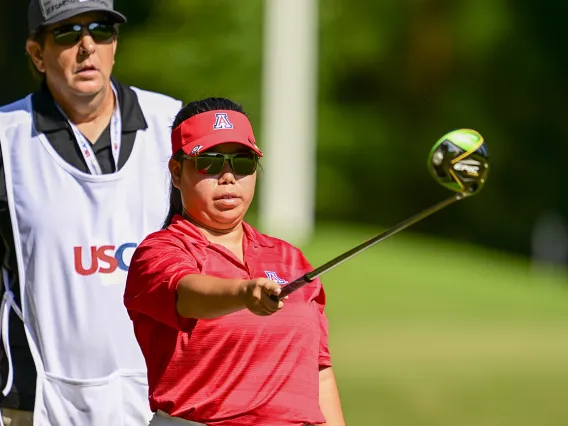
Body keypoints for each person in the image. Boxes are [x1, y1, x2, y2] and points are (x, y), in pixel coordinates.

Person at [0, 0, 182, 425]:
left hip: (164, 396)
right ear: (36, 54)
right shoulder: (6, 138)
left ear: (115, 45)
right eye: (66, 33)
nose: (87, 46)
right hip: (36, 399)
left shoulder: (171, 121)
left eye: (101, 30)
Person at [124, 97, 346, 426]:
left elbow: (319, 371)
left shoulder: (290, 258)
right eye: (210, 162)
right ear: (176, 171)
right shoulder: (159, 251)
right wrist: (242, 293)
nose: (228, 176)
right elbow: (187, 295)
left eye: (242, 162)